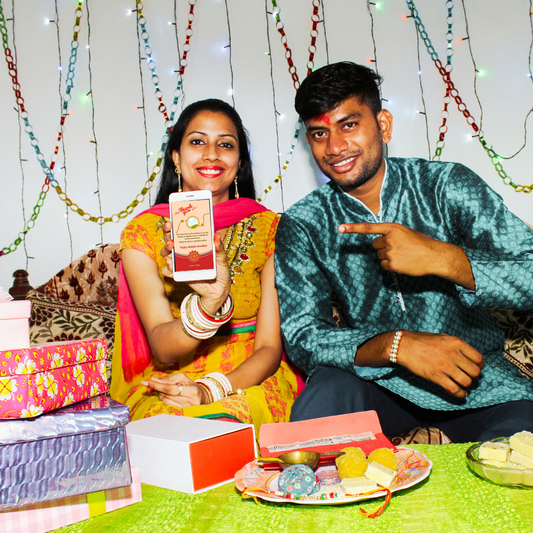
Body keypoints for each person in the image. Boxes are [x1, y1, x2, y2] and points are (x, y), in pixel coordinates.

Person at [274, 61, 533, 443]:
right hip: (379, 383)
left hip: (477, 381)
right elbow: (302, 334)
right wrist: (396, 345)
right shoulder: (304, 223)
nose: (334, 147)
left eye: (349, 125)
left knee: (522, 444)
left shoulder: (446, 186)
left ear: (383, 124)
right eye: (319, 133)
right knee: (321, 405)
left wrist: (444, 258)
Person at [111, 98, 300, 433]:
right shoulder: (142, 233)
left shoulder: (271, 229)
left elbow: (270, 348)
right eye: (197, 141)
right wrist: (209, 304)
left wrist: (209, 391)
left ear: (239, 162)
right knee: (167, 430)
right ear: (176, 157)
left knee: (226, 424)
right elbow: (163, 349)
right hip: (172, 377)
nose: (212, 154)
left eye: (225, 145)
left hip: (248, 378)